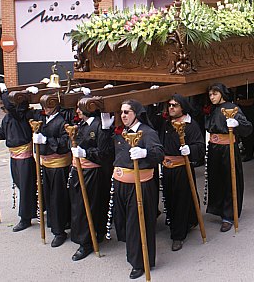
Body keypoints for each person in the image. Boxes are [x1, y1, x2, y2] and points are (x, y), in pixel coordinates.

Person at [105, 100, 163, 279]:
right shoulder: (122, 132)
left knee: (137, 224)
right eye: (121, 112)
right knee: (125, 223)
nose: (123, 115)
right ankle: (133, 254)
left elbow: (160, 153)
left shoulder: (147, 132)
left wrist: (145, 153)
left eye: (127, 112)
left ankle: (140, 262)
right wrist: (105, 130)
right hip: (121, 184)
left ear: (136, 114)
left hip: (139, 184)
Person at [151, 94, 205, 251]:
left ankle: (178, 235)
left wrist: (191, 149)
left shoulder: (190, 125)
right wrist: (154, 104)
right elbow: (152, 122)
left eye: (175, 105)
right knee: (170, 199)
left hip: (182, 168)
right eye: (169, 105)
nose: (171, 107)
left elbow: (200, 146)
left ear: (183, 107)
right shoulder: (166, 123)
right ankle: (186, 222)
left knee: (181, 200)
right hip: (167, 168)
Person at [0, 87, 36, 232]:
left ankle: (25, 218)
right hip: (14, 157)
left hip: (25, 157)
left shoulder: (20, 115)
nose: (2, 110)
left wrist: (3, 92)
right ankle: (33, 209)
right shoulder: (8, 118)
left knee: (25, 188)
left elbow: (12, 107)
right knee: (20, 185)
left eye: (2, 107)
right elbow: (1, 134)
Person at [68, 102, 114, 261]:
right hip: (79, 169)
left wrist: (85, 153)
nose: (78, 111)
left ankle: (86, 242)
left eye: (81, 108)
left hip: (92, 172)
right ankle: (92, 235)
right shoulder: (80, 124)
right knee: (79, 206)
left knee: (87, 207)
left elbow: (105, 153)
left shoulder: (99, 126)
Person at [204, 83, 252, 232]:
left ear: (222, 94)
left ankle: (229, 214)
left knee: (229, 180)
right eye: (210, 95)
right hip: (214, 148)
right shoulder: (212, 109)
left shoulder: (232, 108)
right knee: (216, 180)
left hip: (227, 148)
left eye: (215, 94)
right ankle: (219, 209)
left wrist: (236, 124)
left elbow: (248, 127)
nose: (212, 97)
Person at [28, 102, 73, 248]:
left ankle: (59, 231)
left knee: (57, 199)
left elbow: (66, 142)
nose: (45, 109)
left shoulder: (61, 121)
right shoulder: (44, 120)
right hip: (45, 164)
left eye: (48, 106)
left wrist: (47, 140)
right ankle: (55, 225)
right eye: (43, 106)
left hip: (58, 166)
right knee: (48, 197)